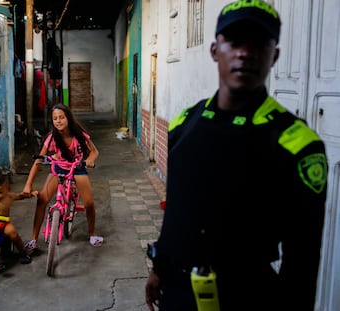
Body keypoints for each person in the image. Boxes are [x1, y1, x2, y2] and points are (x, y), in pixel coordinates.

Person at [145, 1, 328, 311]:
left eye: (259, 43)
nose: (245, 52)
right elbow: (177, 210)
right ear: (215, 50)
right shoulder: (184, 124)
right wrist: (160, 267)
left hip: (248, 297)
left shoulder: (296, 144)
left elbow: (303, 260)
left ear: (275, 55)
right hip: (178, 293)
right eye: (234, 41)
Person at [23, 103, 102, 253]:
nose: (58, 121)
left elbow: (94, 151)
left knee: (89, 203)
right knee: (41, 199)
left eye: (61, 117)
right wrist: (28, 184)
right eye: (55, 118)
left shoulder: (79, 134)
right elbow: (39, 160)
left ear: (68, 118)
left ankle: (92, 234)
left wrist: (90, 160)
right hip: (58, 168)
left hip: (77, 168)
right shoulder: (52, 138)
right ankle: (33, 239)